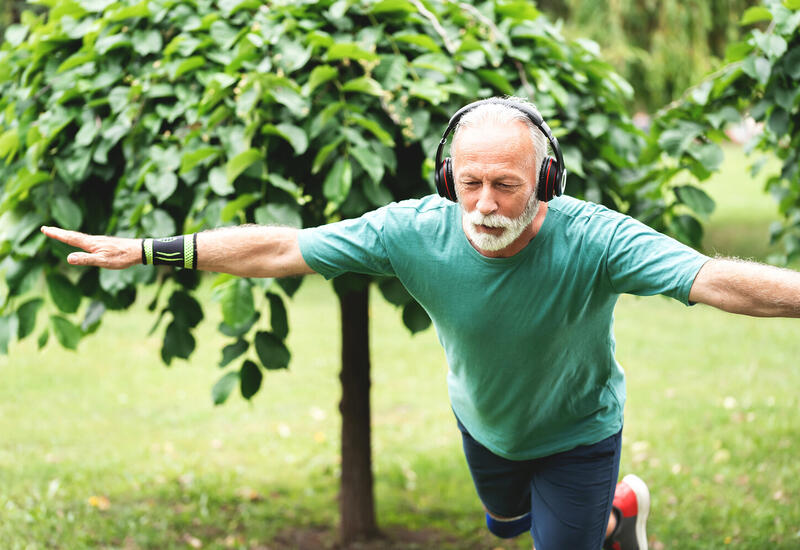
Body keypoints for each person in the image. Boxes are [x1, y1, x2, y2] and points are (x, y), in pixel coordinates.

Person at [40, 97, 800, 550]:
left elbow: (712, 278)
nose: (484, 205)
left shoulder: (595, 238)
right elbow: (280, 246)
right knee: (506, 525)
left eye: (507, 185)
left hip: (578, 432)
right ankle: (618, 516)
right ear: (447, 178)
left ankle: (601, 512)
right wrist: (145, 250)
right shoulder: (412, 230)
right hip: (484, 424)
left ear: (546, 181)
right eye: (469, 183)